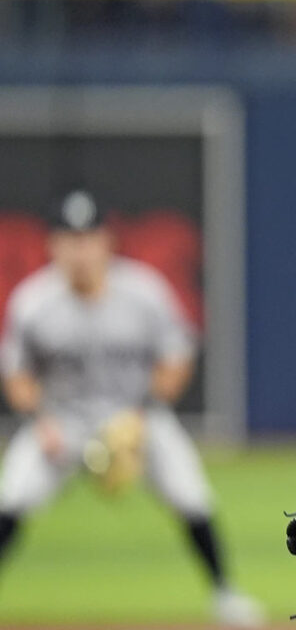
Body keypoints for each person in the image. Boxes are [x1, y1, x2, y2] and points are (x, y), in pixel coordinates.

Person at [0, 189, 264, 628]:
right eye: (69, 238)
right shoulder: (33, 302)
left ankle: (225, 595)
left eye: (88, 237)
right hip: (62, 420)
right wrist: (40, 422)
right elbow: (18, 374)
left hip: (136, 415)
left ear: (107, 241)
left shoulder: (143, 292)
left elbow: (176, 356)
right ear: (53, 245)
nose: (80, 249)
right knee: (12, 496)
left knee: (190, 493)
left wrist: (143, 412)